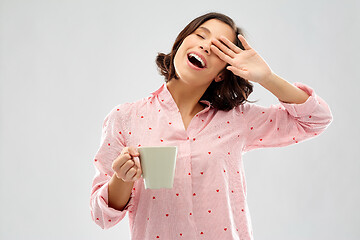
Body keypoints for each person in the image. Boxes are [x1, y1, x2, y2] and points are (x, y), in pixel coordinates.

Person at [89, 12, 333, 240]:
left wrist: (268, 78)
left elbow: (316, 119)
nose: (205, 46)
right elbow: (101, 217)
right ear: (181, 44)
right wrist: (122, 178)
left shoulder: (237, 120)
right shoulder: (125, 118)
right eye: (200, 35)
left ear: (221, 74)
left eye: (218, 48)